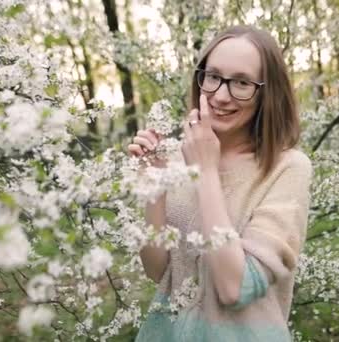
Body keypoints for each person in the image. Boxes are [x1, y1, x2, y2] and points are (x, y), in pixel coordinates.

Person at [128, 25, 312, 341]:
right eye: (213, 76)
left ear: (268, 92)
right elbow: (159, 272)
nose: (221, 95)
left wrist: (206, 173)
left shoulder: (288, 168)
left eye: (242, 82)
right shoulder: (177, 156)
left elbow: (234, 288)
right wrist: (155, 184)